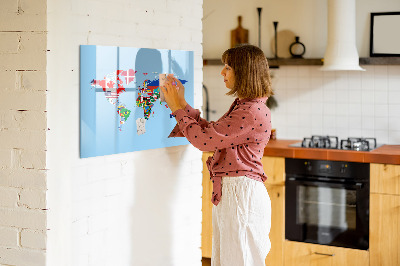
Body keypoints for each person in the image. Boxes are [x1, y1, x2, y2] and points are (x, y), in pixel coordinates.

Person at [161, 44, 273, 266]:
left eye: (228, 67)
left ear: (244, 72)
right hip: (236, 193)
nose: (222, 72)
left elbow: (204, 141)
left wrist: (176, 108)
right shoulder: (246, 106)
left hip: (241, 195)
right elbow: (212, 133)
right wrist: (182, 104)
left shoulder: (250, 111)